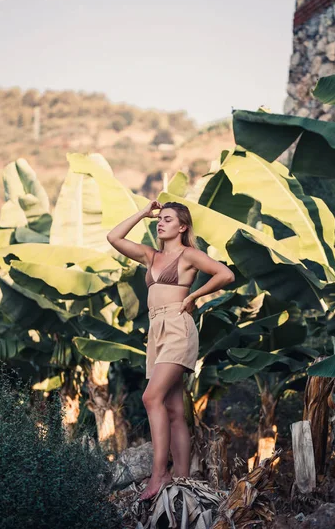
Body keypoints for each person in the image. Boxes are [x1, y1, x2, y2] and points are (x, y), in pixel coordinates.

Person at [107, 200, 235, 500]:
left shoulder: (188, 254)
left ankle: (160, 474)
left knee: (151, 397)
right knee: (175, 410)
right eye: (159, 219)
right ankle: (181, 478)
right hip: (156, 331)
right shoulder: (150, 255)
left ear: (183, 226)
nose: (160, 223)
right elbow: (114, 237)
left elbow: (225, 275)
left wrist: (195, 296)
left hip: (178, 327)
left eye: (167, 219)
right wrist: (142, 213)